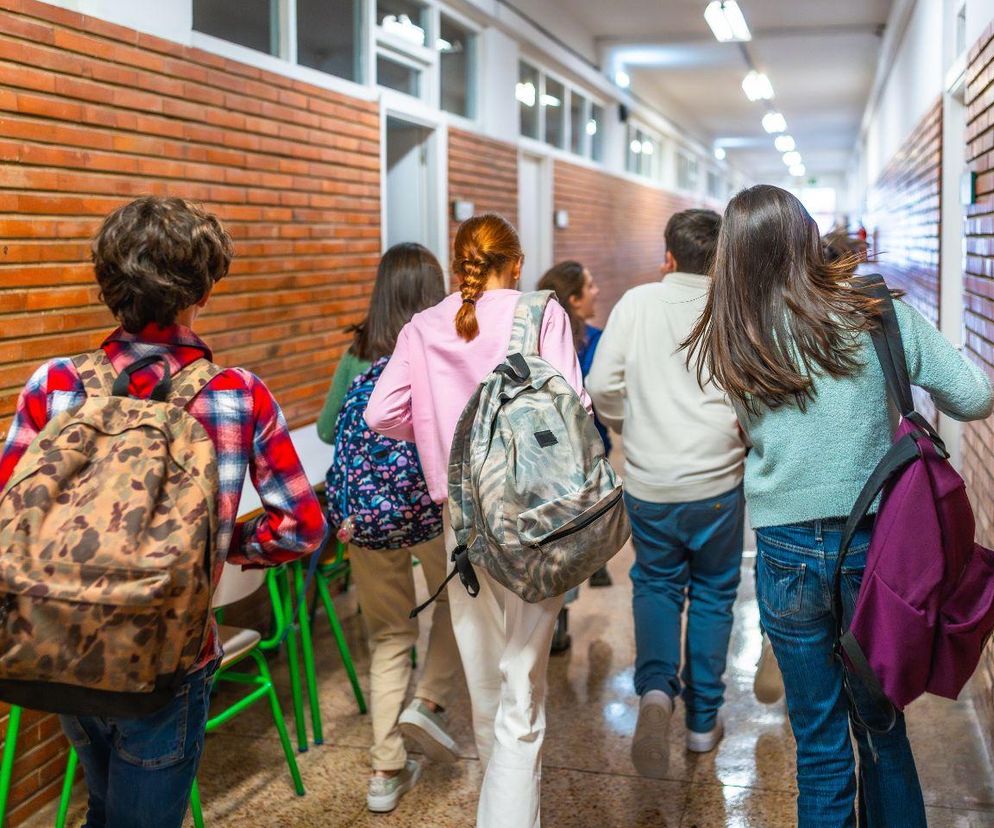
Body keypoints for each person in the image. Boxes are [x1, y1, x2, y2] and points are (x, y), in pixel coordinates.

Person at [0, 197, 327, 828]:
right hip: (166, 656)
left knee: (100, 802)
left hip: (58, 643)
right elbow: (301, 527)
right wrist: (219, 543)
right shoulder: (238, 394)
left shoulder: (53, 384)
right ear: (199, 293)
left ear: (109, 286)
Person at [683, 184, 993, 827]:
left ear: (732, 255)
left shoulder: (731, 334)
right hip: (878, 549)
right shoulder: (876, 313)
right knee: (882, 732)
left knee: (820, 748)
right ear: (806, 237)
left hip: (784, 551)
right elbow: (973, 397)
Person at [364, 213, 590, 828]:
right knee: (524, 687)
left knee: (489, 685)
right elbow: (577, 406)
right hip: (534, 515)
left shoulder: (422, 326)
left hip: (459, 522)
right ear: (514, 264)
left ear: (460, 261)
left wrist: (440, 435)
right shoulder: (541, 314)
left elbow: (381, 413)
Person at [586, 208, 746, 778]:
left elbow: (601, 384)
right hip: (718, 484)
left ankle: (655, 694)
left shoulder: (635, 304)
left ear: (669, 255)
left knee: (655, 583)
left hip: (651, 483)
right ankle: (703, 722)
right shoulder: (735, 306)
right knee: (712, 592)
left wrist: (633, 425)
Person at [316, 243, 462, 813]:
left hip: (370, 517)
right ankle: (428, 701)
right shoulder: (442, 350)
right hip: (431, 509)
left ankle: (383, 769)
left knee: (387, 637)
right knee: (458, 605)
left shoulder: (358, 355)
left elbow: (330, 431)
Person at [536, 261, 611, 653]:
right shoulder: (595, 340)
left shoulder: (530, 335)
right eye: (591, 286)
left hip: (539, 454)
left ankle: (554, 618)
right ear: (574, 299)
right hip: (584, 457)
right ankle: (562, 613)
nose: (597, 292)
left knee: (551, 538)